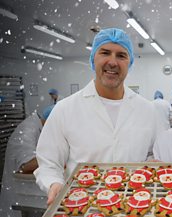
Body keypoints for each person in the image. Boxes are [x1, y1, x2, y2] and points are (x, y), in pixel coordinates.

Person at [34, 28, 159, 205]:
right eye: (105, 53)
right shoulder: (65, 109)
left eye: (121, 55)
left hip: (134, 206)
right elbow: (48, 163)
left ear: (130, 63)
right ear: (93, 58)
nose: (113, 62)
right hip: (83, 208)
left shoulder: (147, 110)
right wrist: (54, 183)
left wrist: (153, 164)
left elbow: (152, 155)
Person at [0, 105, 54, 217]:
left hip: (29, 192)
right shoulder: (28, 130)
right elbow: (26, 165)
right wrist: (56, 156)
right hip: (19, 192)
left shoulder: (39, 127)